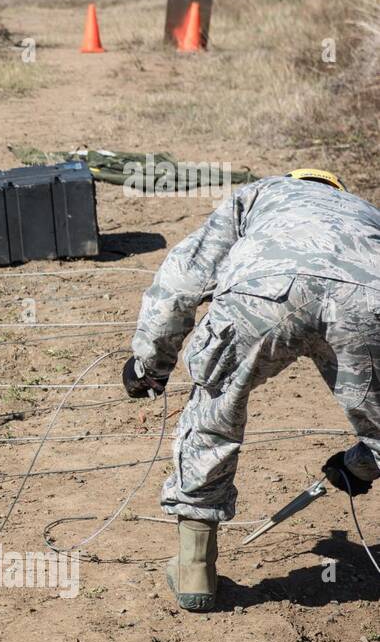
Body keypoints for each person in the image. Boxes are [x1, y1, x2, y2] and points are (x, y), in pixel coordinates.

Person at [124, 169, 380, 611]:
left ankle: (195, 572)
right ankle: (358, 468)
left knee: (214, 413)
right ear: (336, 189)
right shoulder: (367, 214)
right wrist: (358, 469)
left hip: (264, 294)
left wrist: (151, 362)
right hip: (368, 298)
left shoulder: (260, 193)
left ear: (294, 180)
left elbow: (185, 278)